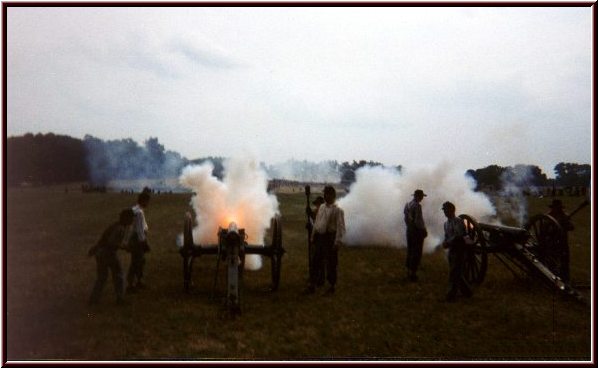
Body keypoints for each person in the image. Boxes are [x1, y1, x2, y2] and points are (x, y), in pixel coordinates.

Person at [88, 209, 135, 305]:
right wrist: (124, 247)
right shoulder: (120, 228)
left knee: (102, 277)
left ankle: (93, 299)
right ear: (125, 218)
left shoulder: (116, 225)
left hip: (100, 253)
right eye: (131, 218)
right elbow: (111, 242)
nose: (132, 220)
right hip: (108, 253)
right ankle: (120, 299)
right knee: (119, 275)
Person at [305, 186, 346, 295]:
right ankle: (312, 285)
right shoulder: (322, 207)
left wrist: (337, 242)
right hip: (320, 237)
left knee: (331, 264)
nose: (325, 196)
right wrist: (313, 236)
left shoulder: (338, 210)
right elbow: (317, 222)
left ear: (332, 195)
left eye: (327, 194)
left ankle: (331, 286)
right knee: (316, 262)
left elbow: (341, 228)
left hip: (330, 238)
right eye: (324, 194)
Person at [441, 201, 472, 302]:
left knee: (454, 273)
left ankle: (450, 296)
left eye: (446, 210)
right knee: (456, 272)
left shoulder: (458, 221)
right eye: (444, 210)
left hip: (459, 249)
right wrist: (445, 242)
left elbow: (458, 235)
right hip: (452, 249)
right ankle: (467, 292)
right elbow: (447, 236)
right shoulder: (446, 224)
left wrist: (448, 242)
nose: (445, 212)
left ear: (452, 210)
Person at [127, 191, 151, 293]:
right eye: (147, 201)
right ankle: (132, 284)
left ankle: (137, 281)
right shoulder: (139, 212)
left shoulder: (135, 209)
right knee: (137, 262)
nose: (148, 204)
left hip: (134, 239)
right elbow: (140, 230)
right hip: (138, 240)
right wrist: (144, 243)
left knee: (138, 261)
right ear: (143, 201)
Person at [547, 199, 575, 283]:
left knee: (565, 261)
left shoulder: (564, 216)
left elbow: (572, 227)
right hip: (552, 242)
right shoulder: (548, 216)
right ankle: (551, 277)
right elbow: (544, 230)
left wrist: (565, 223)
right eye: (555, 207)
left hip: (563, 242)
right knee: (552, 261)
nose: (557, 209)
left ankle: (565, 279)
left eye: (558, 208)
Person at [403, 189, 428, 281]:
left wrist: (409, 226)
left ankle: (408, 271)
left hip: (409, 229)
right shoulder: (417, 206)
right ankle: (413, 273)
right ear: (417, 196)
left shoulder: (408, 205)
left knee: (410, 250)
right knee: (417, 252)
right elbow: (418, 220)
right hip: (417, 231)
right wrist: (423, 230)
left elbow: (405, 218)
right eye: (421, 196)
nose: (422, 198)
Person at [305, 196, 324, 289]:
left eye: (318, 204)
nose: (317, 206)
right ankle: (317, 277)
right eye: (316, 204)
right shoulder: (317, 211)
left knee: (318, 259)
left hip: (321, 237)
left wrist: (310, 214)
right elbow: (314, 222)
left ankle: (319, 279)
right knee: (316, 258)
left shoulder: (323, 212)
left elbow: (318, 223)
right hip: (316, 237)